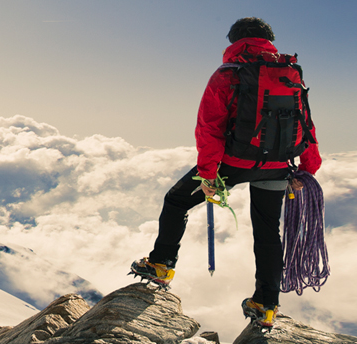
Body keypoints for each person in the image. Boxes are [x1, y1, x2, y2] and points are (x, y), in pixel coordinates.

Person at [128, 17, 321, 328]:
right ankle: (266, 304)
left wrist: (208, 175)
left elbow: (210, 128)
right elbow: (305, 123)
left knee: (176, 201)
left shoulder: (228, 74)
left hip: (235, 163)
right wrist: (308, 169)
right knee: (268, 232)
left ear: (234, 41)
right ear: (268, 40)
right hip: (277, 166)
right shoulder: (290, 73)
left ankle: (161, 265)